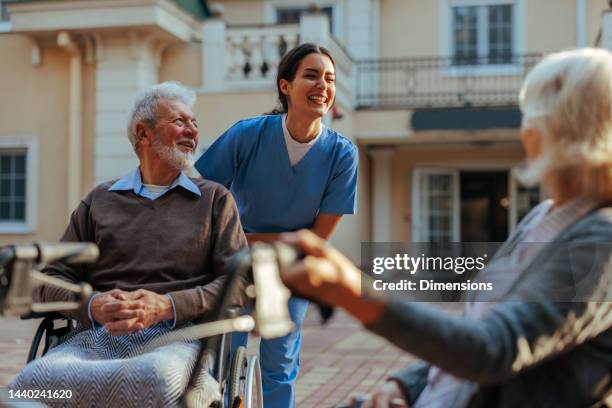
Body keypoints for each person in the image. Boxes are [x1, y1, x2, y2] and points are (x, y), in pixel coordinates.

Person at [279, 48, 612, 407]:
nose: (525, 127)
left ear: (561, 130)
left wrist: (350, 289)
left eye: (532, 112)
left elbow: (492, 347)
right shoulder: (542, 217)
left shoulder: (601, 241)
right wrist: (407, 385)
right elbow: (472, 330)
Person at [10, 81, 247, 407]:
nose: (193, 130)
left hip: (179, 338)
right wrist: (93, 305)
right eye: (180, 121)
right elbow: (49, 280)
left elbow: (239, 284)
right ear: (143, 133)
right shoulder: (99, 201)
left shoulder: (215, 200)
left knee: (153, 378)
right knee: (31, 385)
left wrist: (166, 305)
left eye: (194, 123)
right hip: (94, 338)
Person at [195, 43, 359, 408]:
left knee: (280, 364)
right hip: (235, 265)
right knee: (222, 356)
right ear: (285, 86)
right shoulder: (246, 135)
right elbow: (202, 199)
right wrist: (236, 242)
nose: (323, 86)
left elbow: (315, 240)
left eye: (329, 79)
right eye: (311, 75)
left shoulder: (342, 155)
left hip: (291, 270)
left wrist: (247, 237)